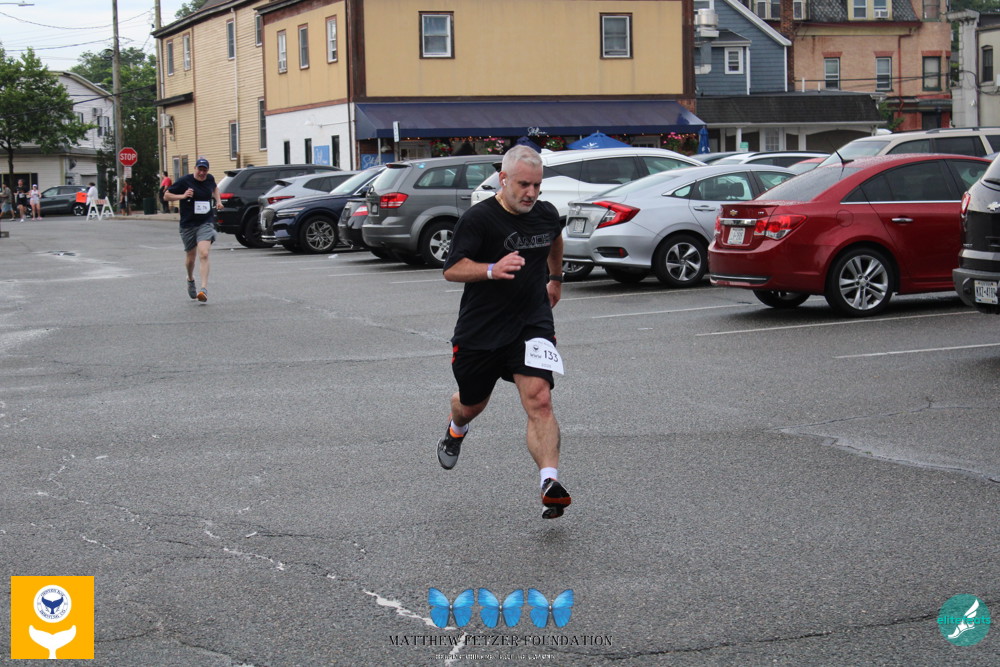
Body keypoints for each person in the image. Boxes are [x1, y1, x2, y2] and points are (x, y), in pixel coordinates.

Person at [437, 144, 571, 519]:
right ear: (503, 179)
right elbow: (452, 269)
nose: (531, 193)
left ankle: (549, 483)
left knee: (540, 399)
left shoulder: (545, 213)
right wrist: (491, 269)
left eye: (537, 185)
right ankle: (456, 428)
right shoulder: (479, 219)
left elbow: (554, 237)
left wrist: (556, 279)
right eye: (524, 185)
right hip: (481, 328)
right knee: (471, 404)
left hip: (531, 322)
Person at [163, 156, 222, 303]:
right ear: (195, 169)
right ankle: (190, 279)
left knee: (204, 253)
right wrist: (183, 196)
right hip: (188, 224)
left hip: (205, 222)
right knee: (191, 257)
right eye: (199, 169)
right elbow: (166, 196)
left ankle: (203, 289)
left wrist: (218, 201)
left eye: (204, 170)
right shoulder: (185, 181)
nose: (202, 173)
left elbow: (215, 188)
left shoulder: (210, 179)